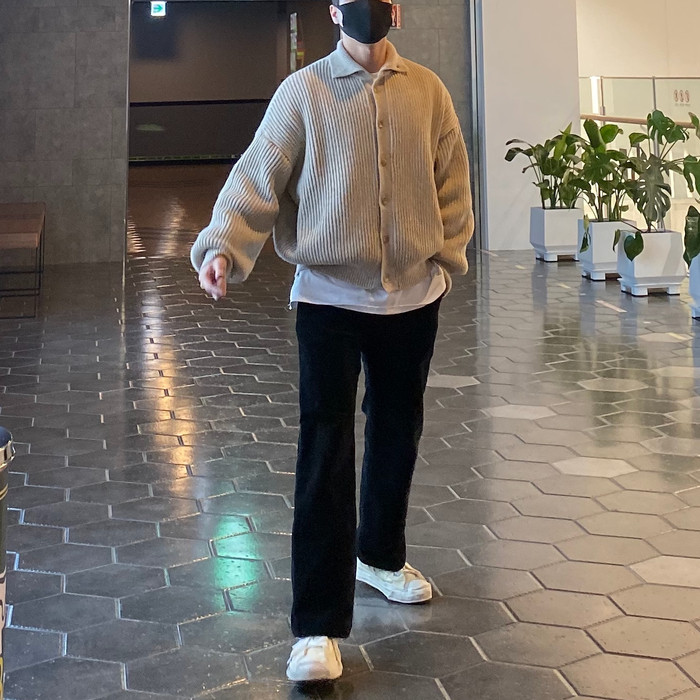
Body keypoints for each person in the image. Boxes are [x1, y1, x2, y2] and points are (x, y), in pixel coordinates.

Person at [191, 0, 474, 683]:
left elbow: (453, 181)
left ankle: (379, 557)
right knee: (326, 447)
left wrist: (445, 258)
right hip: (328, 299)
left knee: (397, 430)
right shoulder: (304, 91)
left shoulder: (428, 91)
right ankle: (316, 626)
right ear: (334, 10)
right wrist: (222, 245)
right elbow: (258, 174)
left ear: (395, 10)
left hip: (413, 297)